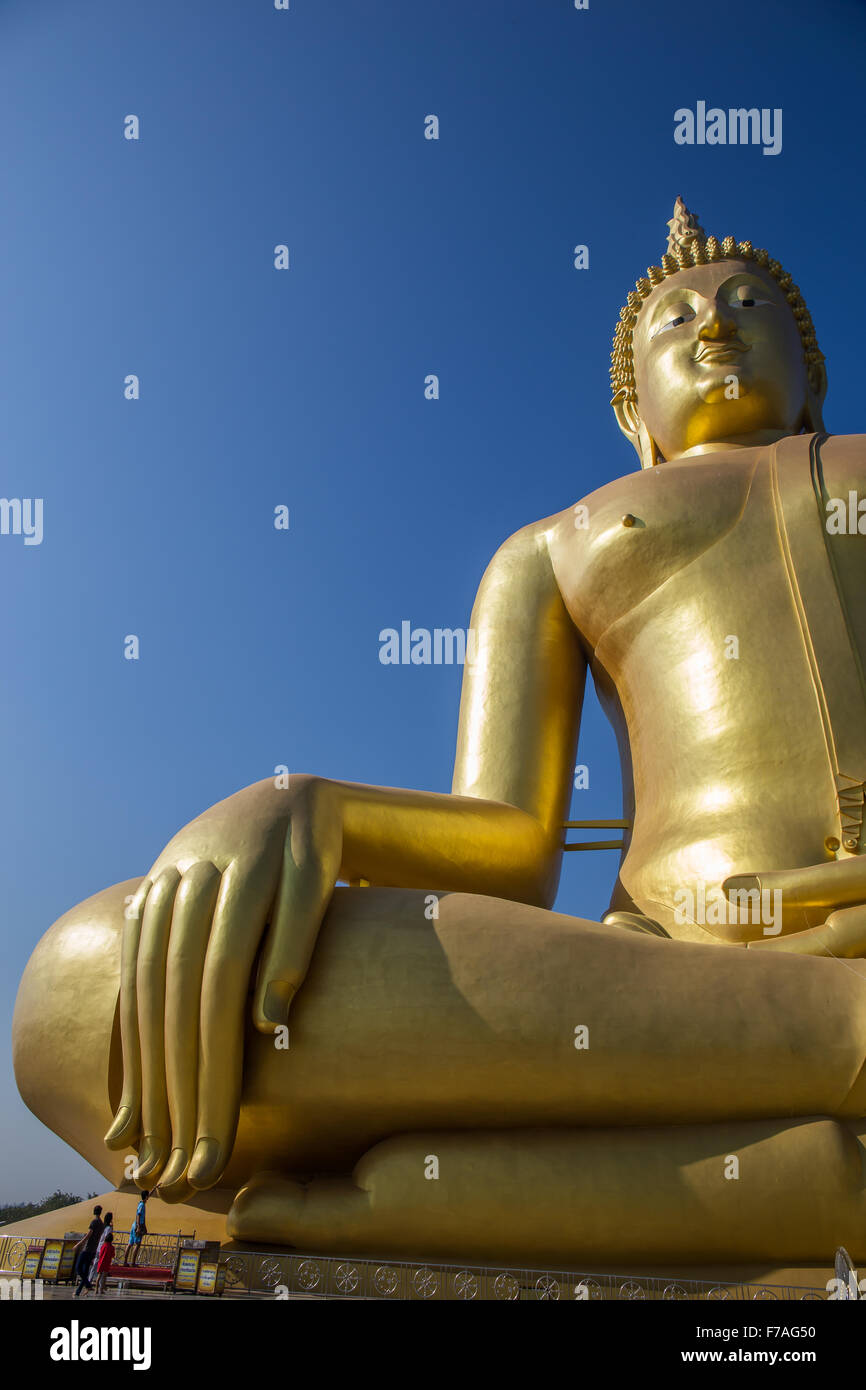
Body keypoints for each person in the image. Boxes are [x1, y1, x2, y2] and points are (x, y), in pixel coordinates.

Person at [73, 1204, 103, 1297]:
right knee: (85, 1272)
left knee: (78, 1268)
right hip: (93, 1250)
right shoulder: (101, 1224)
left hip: (87, 1249)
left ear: (94, 1211)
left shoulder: (94, 1222)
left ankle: (88, 1285)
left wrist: (78, 1244)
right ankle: (78, 1291)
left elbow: (88, 1235)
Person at [123, 1190, 149, 1266]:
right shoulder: (142, 1205)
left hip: (134, 1225)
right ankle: (133, 1262)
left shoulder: (141, 1203)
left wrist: (154, 1189)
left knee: (130, 1243)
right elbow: (138, 1215)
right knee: (137, 1244)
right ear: (146, 1196)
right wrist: (138, 1227)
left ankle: (125, 1261)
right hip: (138, 1225)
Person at [89, 1208, 113, 1284]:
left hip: (98, 1247)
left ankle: (90, 1280)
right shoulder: (109, 1228)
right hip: (104, 1248)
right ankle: (100, 1284)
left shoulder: (102, 1226)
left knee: (95, 1264)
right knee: (103, 1266)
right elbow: (108, 1237)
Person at [93, 1232, 114, 1296]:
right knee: (104, 1277)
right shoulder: (112, 1247)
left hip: (101, 1262)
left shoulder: (103, 1246)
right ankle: (101, 1289)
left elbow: (100, 1254)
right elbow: (113, 1255)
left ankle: (96, 1289)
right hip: (107, 1263)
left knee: (99, 1276)